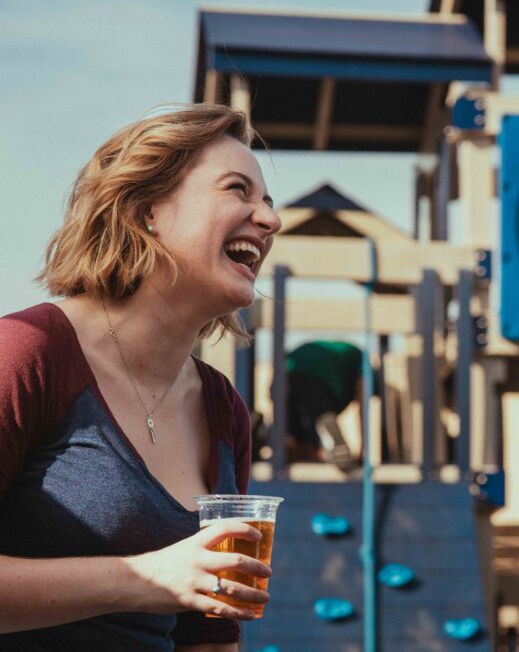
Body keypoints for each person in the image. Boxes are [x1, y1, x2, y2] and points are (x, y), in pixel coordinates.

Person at [0, 104, 282, 649]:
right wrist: (142, 579)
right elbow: (165, 582)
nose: (271, 220)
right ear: (146, 210)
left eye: (268, 202)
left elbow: (210, 628)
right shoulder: (26, 355)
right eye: (237, 190)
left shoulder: (223, 409)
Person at [284, 340, 363, 471]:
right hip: (321, 377)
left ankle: (292, 445)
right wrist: (363, 450)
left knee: (292, 425)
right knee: (320, 409)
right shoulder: (362, 360)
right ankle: (328, 446)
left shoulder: (344, 351)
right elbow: (363, 401)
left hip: (288, 369)